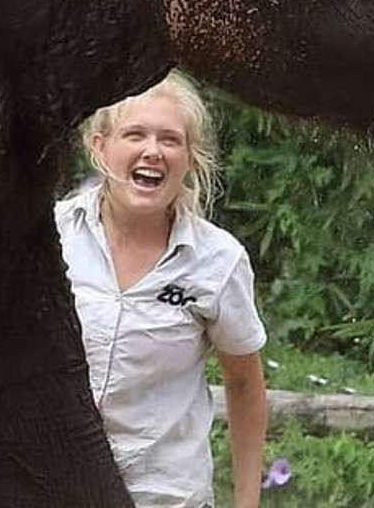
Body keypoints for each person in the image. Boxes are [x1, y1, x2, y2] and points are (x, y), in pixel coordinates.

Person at [56, 71, 268, 508]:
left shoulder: (218, 261)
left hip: (166, 496)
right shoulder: (50, 237)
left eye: (170, 140)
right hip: (54, 488)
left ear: (190, 158)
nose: (152, 151)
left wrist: (247, 504)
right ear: (99, 147)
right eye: (136, 134)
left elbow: (245, 384)